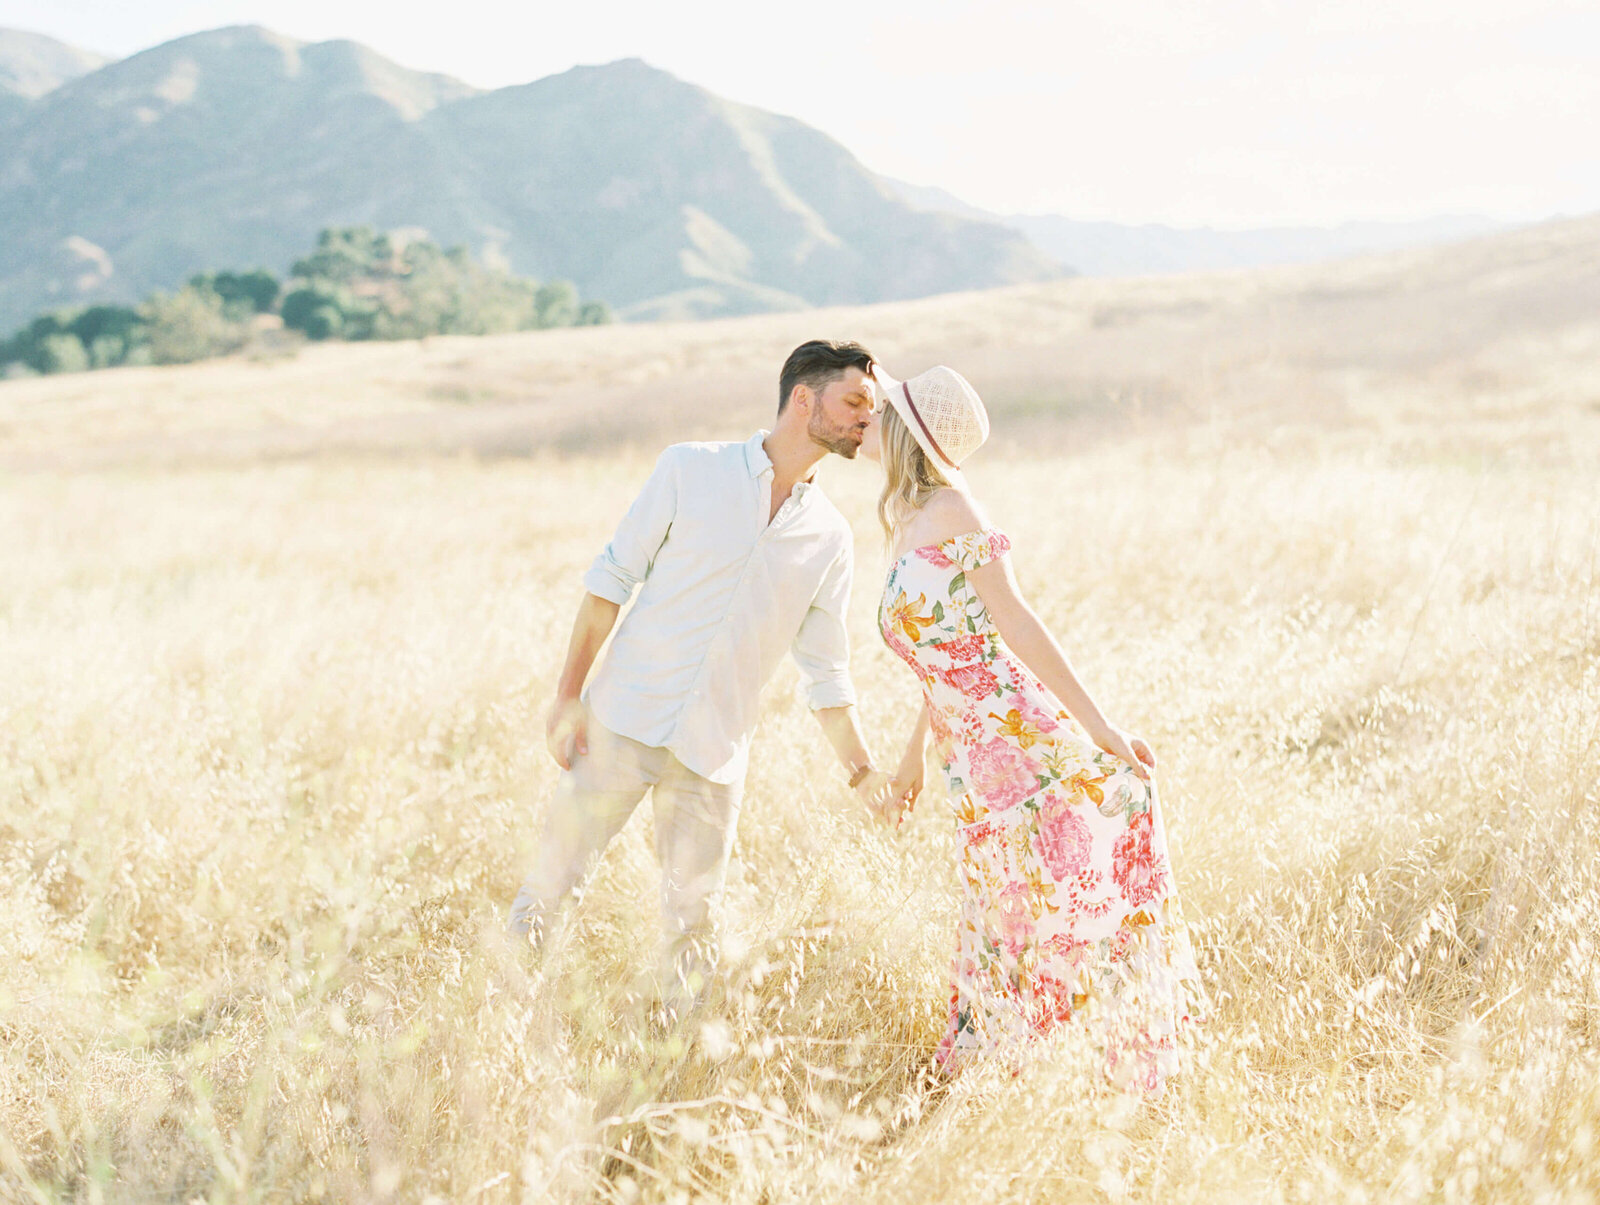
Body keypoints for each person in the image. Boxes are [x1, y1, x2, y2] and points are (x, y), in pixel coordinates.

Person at [509, 339, 895, 1018]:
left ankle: (669, 1075)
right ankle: (498, 1033)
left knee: (692, 931)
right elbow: (610, 581)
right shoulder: (690, 468)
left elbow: (826, 672)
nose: (869, 418)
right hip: (620, 722)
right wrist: (568, 697)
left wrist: (864, 773)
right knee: (549, 890)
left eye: (873, 406)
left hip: (713, 756)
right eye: (855, 401)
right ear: (804, 398)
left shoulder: (832, 537)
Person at [860, 363, 1203, 1091]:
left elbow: (1015, 623)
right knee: (998, 901)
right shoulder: (904, 520)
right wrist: (912, 758)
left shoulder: (955, 510)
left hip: (1012, 739)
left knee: (1035, 897)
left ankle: (1109, 1060)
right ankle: (1003, 1067)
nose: (868, 421)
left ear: (902, 432)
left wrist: (1104, 729)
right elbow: (939, 659)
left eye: (881, 411)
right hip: (968, 757)